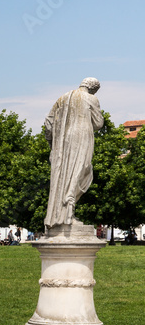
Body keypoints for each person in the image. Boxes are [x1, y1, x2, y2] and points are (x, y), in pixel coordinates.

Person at [44, 78, 104, 228]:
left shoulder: (63, 98)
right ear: (93, 88)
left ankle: (65, 212)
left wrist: (53, 144)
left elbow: (48, 123)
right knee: (83, 169)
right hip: (82, 135)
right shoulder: (91, 98)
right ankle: (69, 205)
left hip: (64, 140)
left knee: (66, 172)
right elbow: (98, 123)